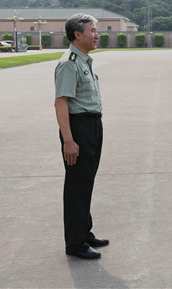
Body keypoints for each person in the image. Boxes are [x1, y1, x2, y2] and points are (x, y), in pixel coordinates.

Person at [54, 13, 108, 260]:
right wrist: (69, 140)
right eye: (92, 30)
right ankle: (75, 243)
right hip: (79, 128)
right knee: (77, 185)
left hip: (92, 125)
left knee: (86, 181)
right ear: (77, 34)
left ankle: (84, 232)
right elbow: (61, 102)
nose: (97, 35)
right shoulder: (69, 62)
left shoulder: (84, 60)